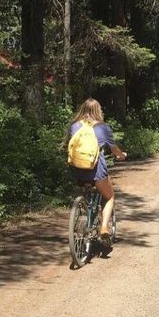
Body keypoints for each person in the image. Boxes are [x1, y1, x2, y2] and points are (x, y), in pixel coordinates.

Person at [65, 98, 126, 247]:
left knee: (87, 186)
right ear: (98, 111)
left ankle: (84, 203)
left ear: (82, 110)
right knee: (109, 196)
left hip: (75, 170)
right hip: (96, 170)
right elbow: (114, 150)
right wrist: (121, 155)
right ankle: (104, 227)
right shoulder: (103, 128)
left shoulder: (75, 126)